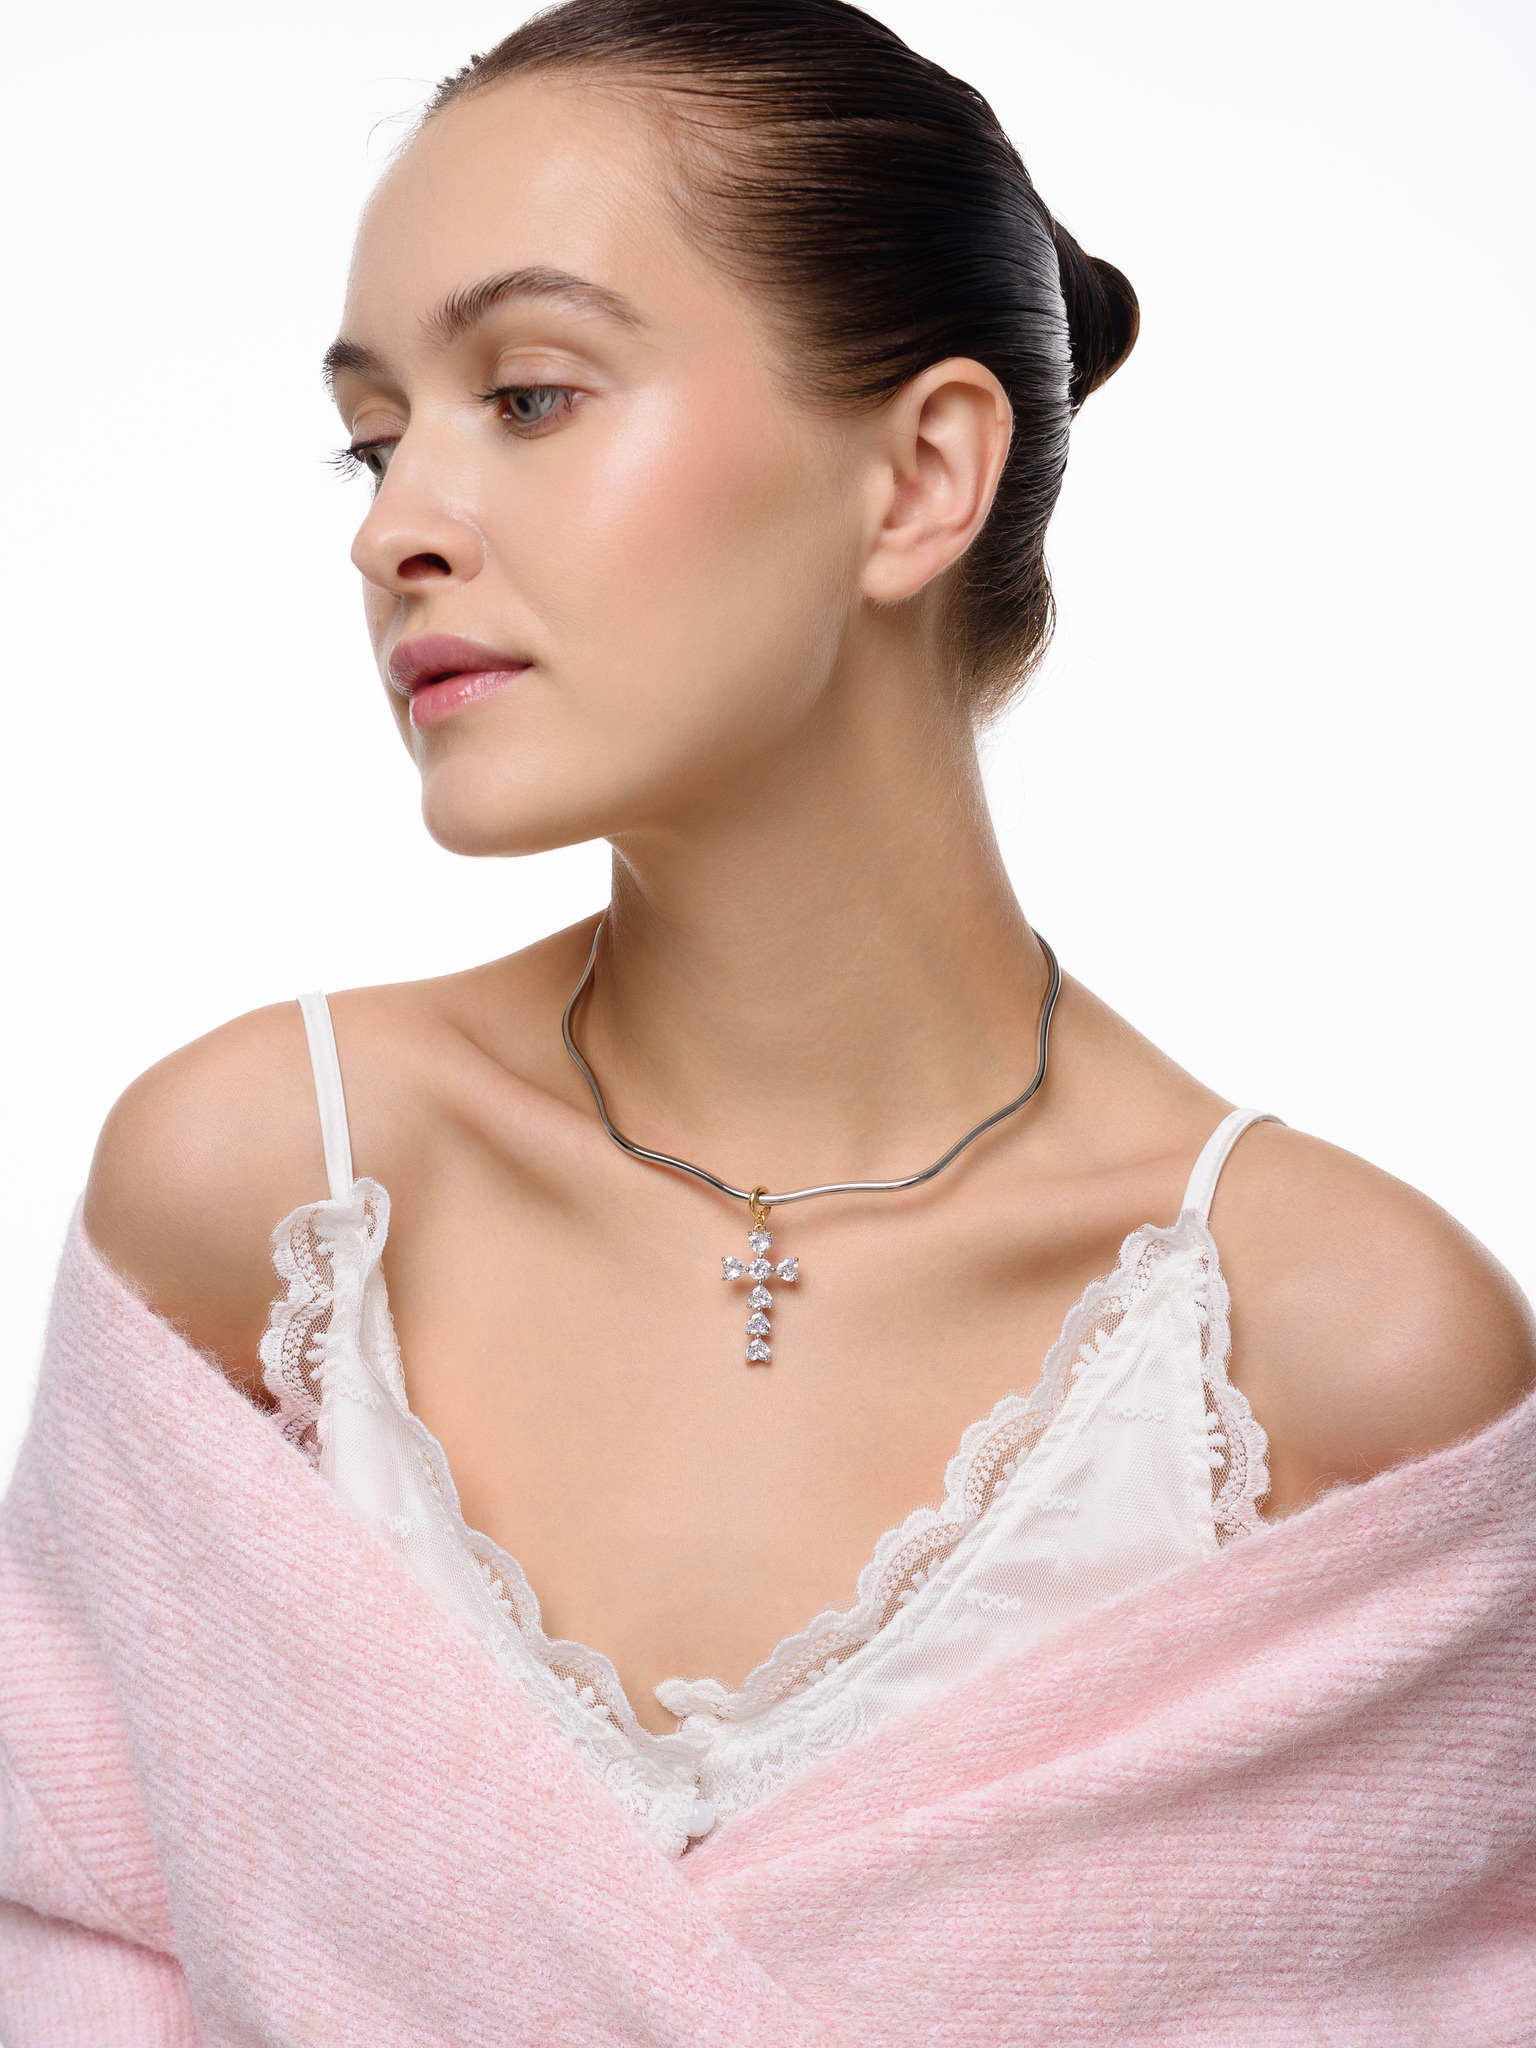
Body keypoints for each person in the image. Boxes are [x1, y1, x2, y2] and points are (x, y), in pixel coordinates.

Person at [3, 2, 1532, 2037]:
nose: (392, 527)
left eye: (528, 395)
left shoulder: (1343, 1350)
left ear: (919, 476)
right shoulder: (257, 1192)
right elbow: (75, 1943)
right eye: (376, 437)